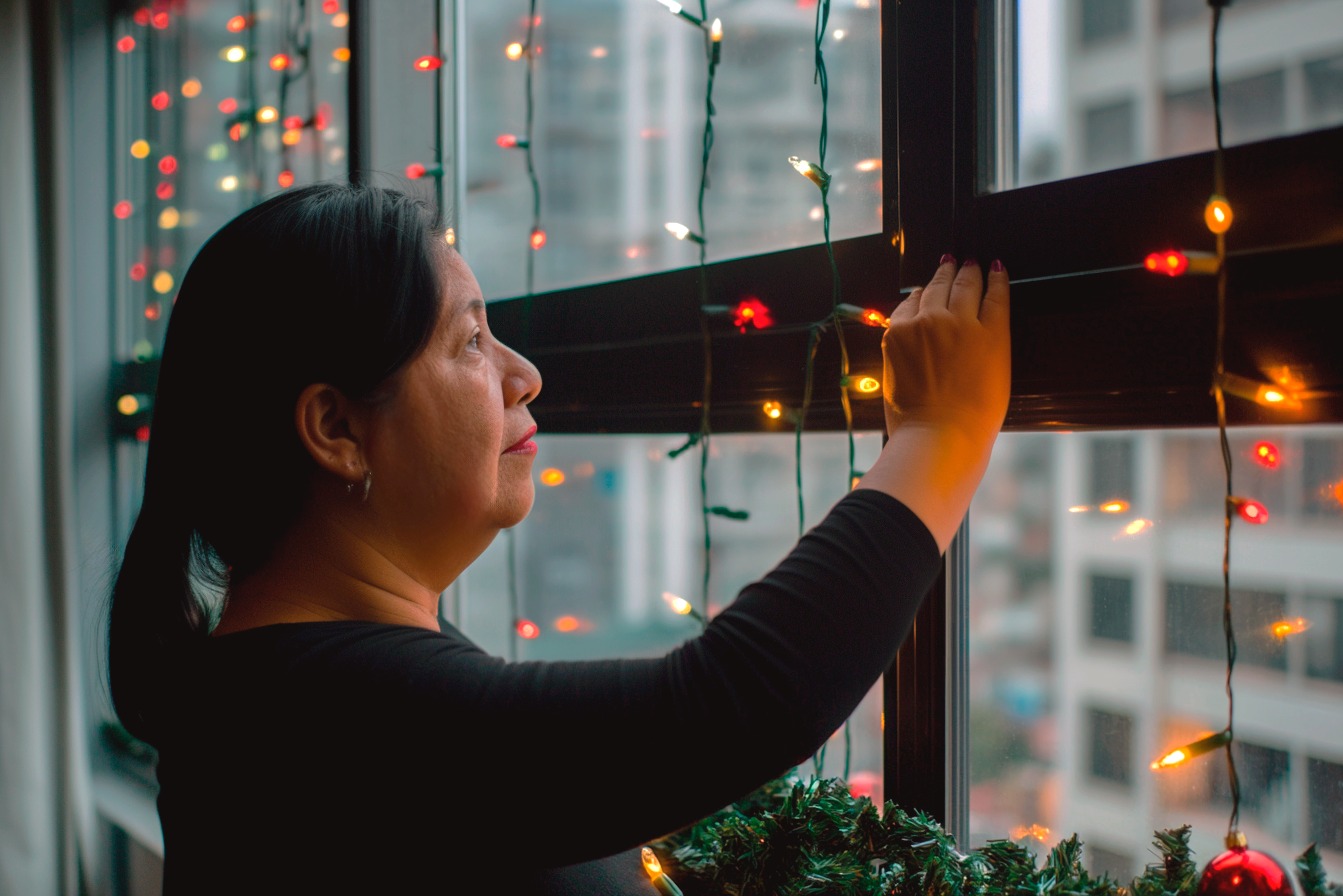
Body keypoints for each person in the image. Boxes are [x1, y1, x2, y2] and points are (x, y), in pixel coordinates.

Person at [108, 183, 1010, 894]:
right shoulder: (319, 719)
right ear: (337, 430)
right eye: (470, 342)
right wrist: (938, 439)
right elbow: (731, 704)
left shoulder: (288, 693)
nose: (525, 375)